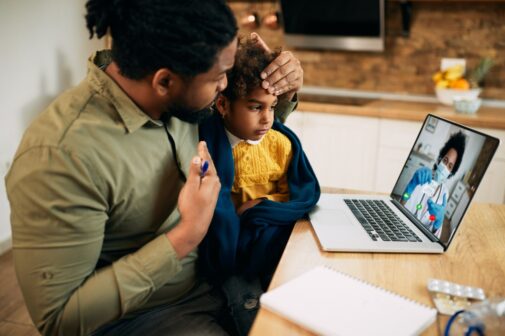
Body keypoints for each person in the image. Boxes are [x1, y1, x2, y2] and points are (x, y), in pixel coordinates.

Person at [4, 0, 304, 335]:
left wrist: (284, 85)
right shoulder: (61, 157)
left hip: (221, 275)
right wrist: (186, 236)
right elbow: (60, 319)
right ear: (164, 82)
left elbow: (241, 123)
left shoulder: (185, 89)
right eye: (220, 77)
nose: (224, 86)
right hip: (146, 314)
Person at [197, 39, 320, 335]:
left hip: (272, 244)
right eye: (256, 107)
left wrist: (264, 207)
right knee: (249, 308)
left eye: (273, 107)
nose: (268, 119)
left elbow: (297, 192)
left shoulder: (280, 144)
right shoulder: (205, 145)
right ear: (223, 105)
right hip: (231, 265)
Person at [402, 132, 466, 238]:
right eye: (445, 161)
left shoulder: (444, 193)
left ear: (451, 172)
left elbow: (434, 236)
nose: (445, 167)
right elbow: (402, 205)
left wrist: (437, 223)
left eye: (450, 166)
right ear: (440, 159)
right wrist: (410, 187)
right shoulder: (421, 177)